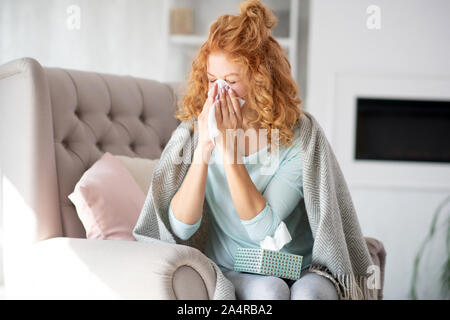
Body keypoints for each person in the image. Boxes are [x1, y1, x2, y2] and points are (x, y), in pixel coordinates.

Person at [167, 0, 338, 300]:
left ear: (260, 83)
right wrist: (206, 147)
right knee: (269, 292)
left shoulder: (296, 138)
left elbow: (264, 231)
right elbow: (181, 229)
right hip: (233, 266)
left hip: (297, 266)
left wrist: (230, 152)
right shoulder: (196, 133)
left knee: (309, 296)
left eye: (231, 82)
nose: (219, 92)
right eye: (211, 81)